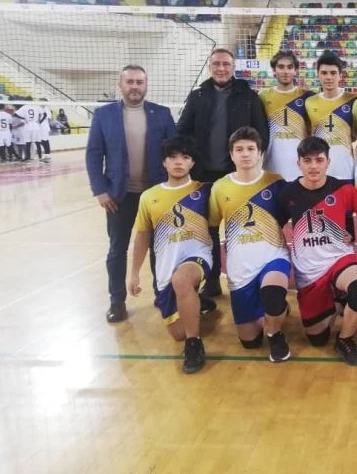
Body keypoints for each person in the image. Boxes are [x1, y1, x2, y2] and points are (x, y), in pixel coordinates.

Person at [86, 65, 177, 323]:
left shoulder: (162, 113)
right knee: (117, 248)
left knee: (160, 248)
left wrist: (173, 189)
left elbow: (174, 151)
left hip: (156, 195)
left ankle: (162, 294)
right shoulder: (103, 115)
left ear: (146, 85)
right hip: (119, 196)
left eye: (139, 82)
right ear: (120, 85)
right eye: (130, 82)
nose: (135, 86)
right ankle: (117, 301)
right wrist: (100, 190)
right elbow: (93, 154)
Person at [177, 47, 270, 298]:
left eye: (226, 64)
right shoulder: (197, 97)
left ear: (233, 67)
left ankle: (246, 277)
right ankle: (212, 280)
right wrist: (189, 162)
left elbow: (262, 134)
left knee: (242, 229)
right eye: (216, 64)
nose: (221, 68)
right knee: (208, 232)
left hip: (237, 176)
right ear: (210, 67)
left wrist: (250, 167)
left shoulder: (248, 97)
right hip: (203, 176)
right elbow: (182, 132)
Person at [275, 136, 357, 366]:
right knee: (317, 339)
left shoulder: (344, 189)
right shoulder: (288, 193)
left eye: (319, 160)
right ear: (298, 163)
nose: (313, 166)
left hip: (339, 258)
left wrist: (354, 242)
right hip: (309, 272)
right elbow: (276, 225)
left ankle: (345, 339)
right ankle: (337, 299)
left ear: (328, 162)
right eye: (307, 161)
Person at [126, 135, 213, 374]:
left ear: (192, 162)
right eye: (172, 157)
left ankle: (194, 344)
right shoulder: (149, 197)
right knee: (177, 333)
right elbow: (142, 236)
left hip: (198, 257)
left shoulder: (204, 191)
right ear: (164, 162)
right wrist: (134, 273)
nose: (179, 162)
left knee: (181, 280)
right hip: (166, 266)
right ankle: (196, 303)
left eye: (185, 157)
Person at [209, 127, 292, 362]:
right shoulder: (220, 187)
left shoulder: (275, 182)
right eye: (239, 149)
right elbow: (213, 225)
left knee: (273, 293)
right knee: (250, 342)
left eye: (250, 149)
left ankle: (275, 333)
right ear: (231, 154)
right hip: (240, 267)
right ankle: (277, 310)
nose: (245, 154)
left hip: (273, 256)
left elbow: (285, 215)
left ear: (260, 153)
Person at [305, 51, 357, 183]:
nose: (328, 77)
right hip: (318, 173)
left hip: (345, 171)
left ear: (340, 75)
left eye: (333, 73)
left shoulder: (353, 101)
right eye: (324, 73)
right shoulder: (309, 102)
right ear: (318, 75)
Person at [259, 50, 314, 181]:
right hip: (272, 166)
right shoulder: (263, 96)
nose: (286, 71)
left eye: (290, 67)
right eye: (281, 67)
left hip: (301, 167)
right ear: (274, 70)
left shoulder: (307, 97)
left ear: (295, 71)